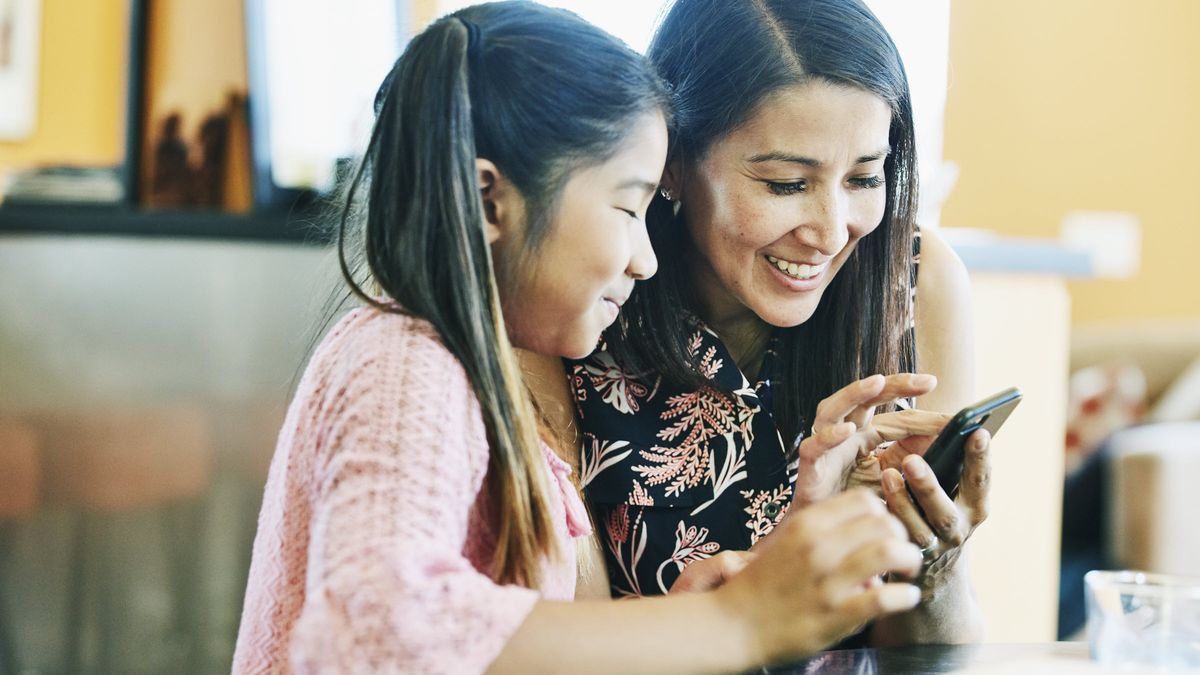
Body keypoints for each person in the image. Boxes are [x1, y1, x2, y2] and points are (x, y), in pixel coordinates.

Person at [232, 3, 927, 672]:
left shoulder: (480, 364)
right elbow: (374, 629)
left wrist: (686, 616)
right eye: (628, 207)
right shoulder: (405, 365)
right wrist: (728, 622)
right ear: (487, 202)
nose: (646, 256)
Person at [554, 0, 990, 644]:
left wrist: (933, 560)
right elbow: (552, 640)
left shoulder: (915, 281)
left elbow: (928, 652)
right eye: (787, 183)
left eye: (865, 178)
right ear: (673, 158)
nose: (831, 229)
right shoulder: (586, 293)